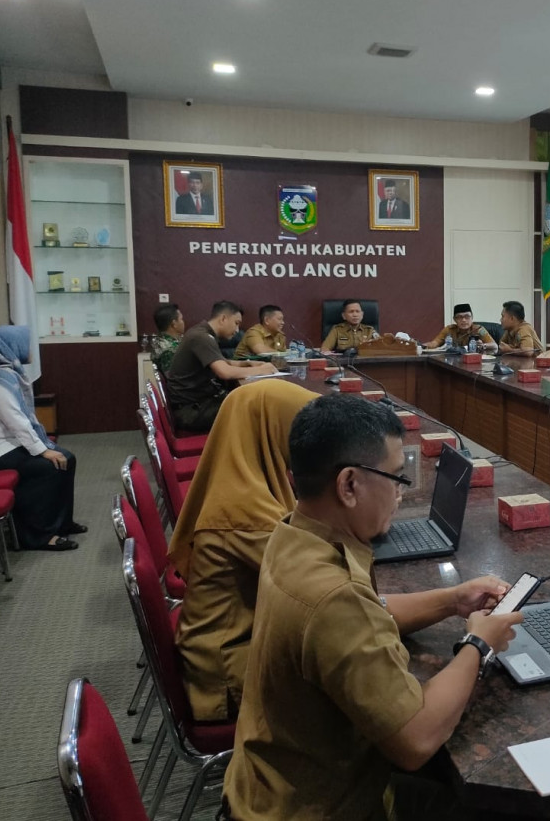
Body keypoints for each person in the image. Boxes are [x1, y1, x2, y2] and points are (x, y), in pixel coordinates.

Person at [221, 394, 522, 820]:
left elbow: (370, 610)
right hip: (323, 806)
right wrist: (479, 643)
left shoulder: (293, 534)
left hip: (269, 785)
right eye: (397, 477)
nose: (402, 493)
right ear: (349, 485)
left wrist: (452, 600)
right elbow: (416, 739)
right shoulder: (333, 597)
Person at [168, 379, 318, 721]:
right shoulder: (245, 514)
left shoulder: (246, 477)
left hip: (239, 638)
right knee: (353, 675)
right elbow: (322, 590)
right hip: (227, 676)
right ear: (271, 430)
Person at [0, 326, 82, 551]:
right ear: (10, 347)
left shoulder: (4, 372)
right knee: (46, 467)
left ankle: (62, 523)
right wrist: (43, 450)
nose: (30, 349)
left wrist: (44, 447)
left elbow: (19, 419)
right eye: (25, 343)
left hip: (1, 446)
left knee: (67, 458)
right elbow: (15, 418)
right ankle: (38, 535)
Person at [167, 301, 277, 432]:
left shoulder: (203, 333)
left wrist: (247, 363)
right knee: (256, 411)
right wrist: (261, 370)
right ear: (223, 319)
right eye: (236, 323)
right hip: (192, 411)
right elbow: (224, 372)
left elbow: (223, 362)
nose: (237, 330)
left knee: (250, 403)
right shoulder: (201, 337)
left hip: (197, 404)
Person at [426, 303, 497, 352]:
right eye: (459, 317)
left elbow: (494, 346)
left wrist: (483, 345)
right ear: (454, 319)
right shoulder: (449, 329)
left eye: (467, 316)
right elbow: (435, 343)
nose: (464, 320)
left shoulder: (478, 329)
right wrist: (420, 346)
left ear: (472, 318)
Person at [150, 302, 185, 372]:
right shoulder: (170, 350)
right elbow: (175, 378)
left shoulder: (159, 341)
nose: (183, 322)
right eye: (181, 319)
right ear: (174, 324)